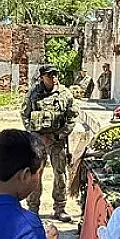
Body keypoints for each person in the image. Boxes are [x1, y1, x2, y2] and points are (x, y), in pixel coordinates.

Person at [21, 65, 78, 222]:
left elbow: (72, 117)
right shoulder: (33, 93)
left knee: (60, 174)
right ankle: (33, 209)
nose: (53, 78)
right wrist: (34, 134)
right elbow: (25, 115)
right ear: (41, 77)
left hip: (57, 142)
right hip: (37, 142)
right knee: (35, 174)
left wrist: (59, 135)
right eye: (49, 75)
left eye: (55, 74)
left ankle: (60, 208)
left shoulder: (65, 94)